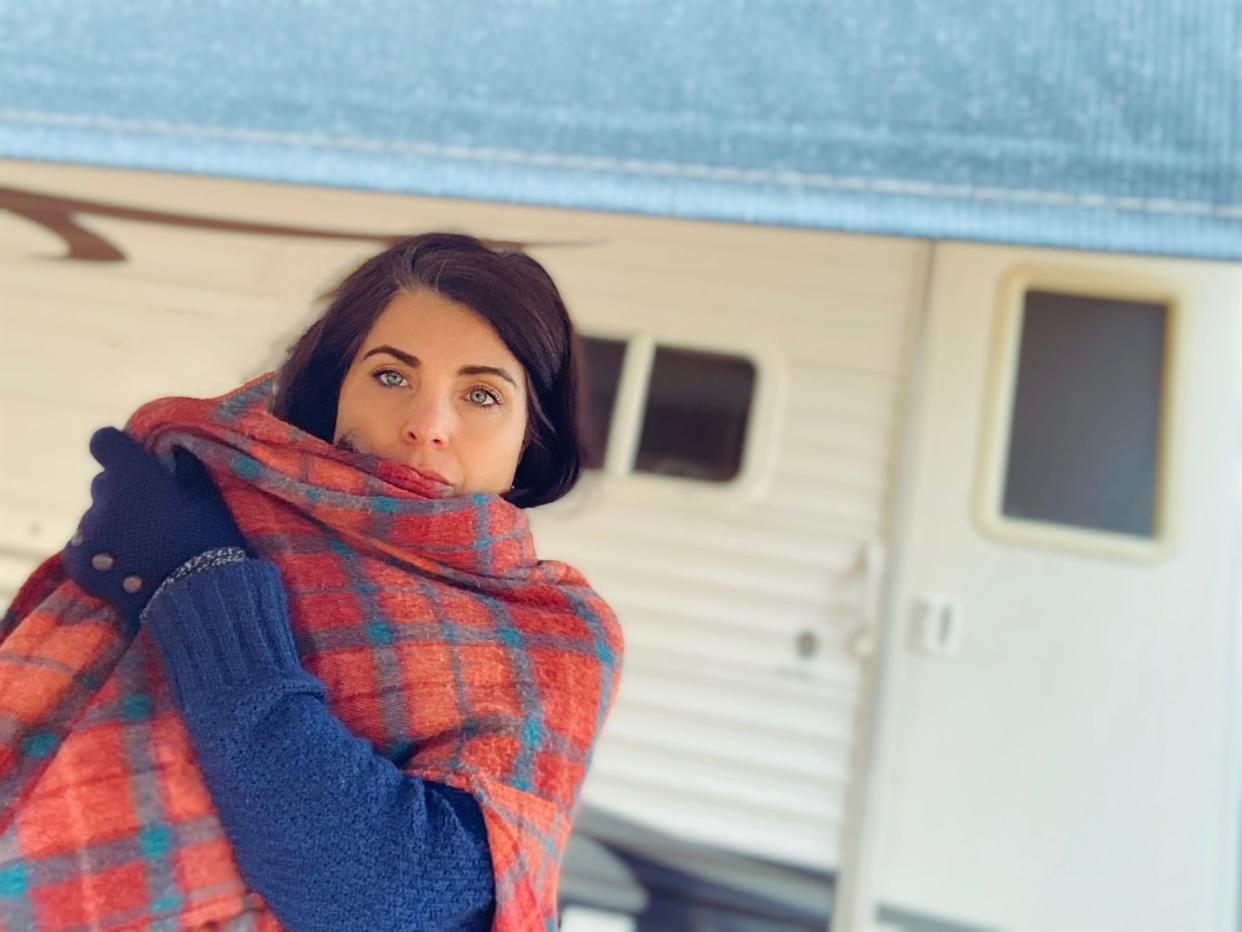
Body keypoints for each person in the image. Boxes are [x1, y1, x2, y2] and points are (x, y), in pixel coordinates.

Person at [3, 234, 622, 931]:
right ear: (337, 388)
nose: (426, 426)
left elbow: (387, 897)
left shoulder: (550, 639)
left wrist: (197, 584)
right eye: (391, 376)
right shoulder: (211, 484)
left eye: (481, 394)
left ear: (530, 440)